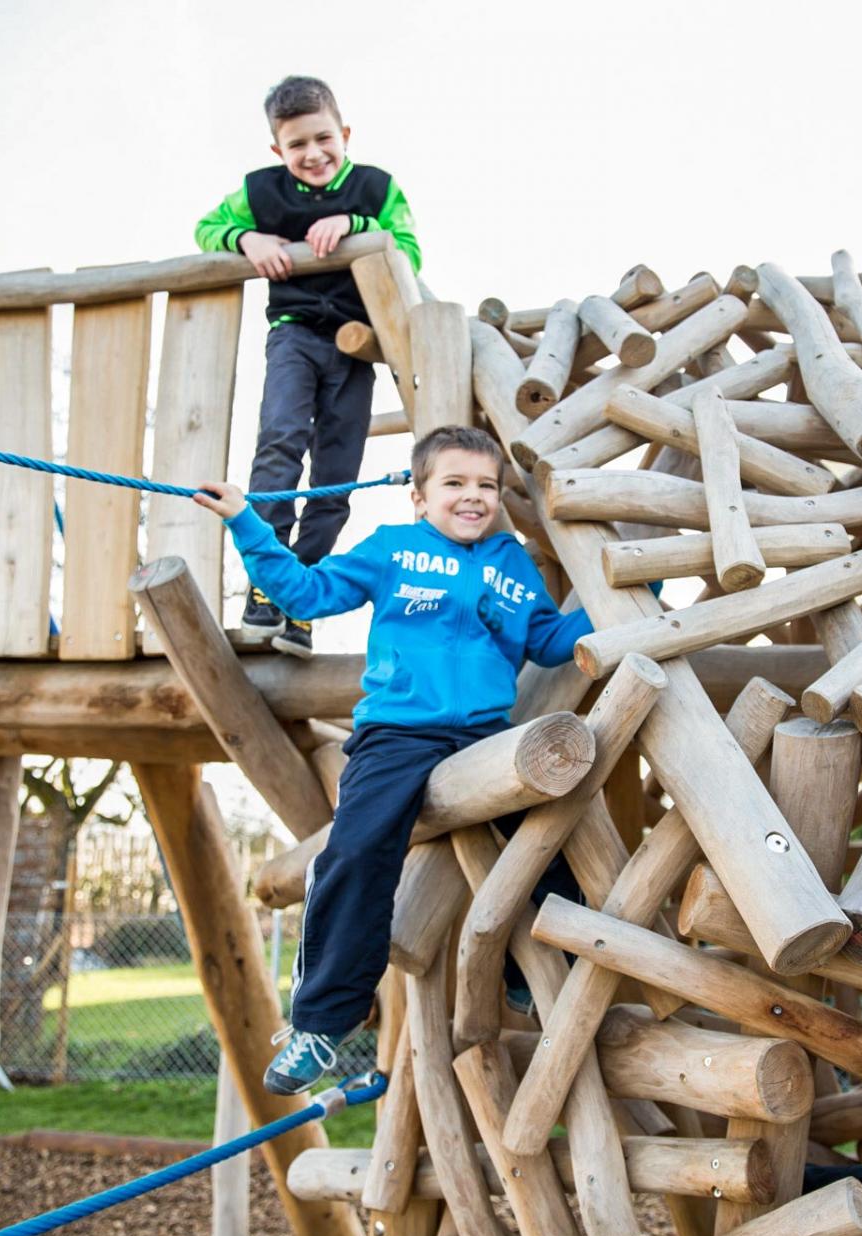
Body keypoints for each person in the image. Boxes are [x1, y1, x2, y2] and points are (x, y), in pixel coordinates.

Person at [195, 427, 590, 1094]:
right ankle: (322, 1022)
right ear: (418, 495)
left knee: (548, 836)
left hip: (484, 733)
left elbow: (550, 639)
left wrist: (630, 594)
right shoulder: (394, 550)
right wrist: (246, 521)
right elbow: (307, 593)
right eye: (454, 484)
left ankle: (535, 963)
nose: (473, 497)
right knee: (355, 852)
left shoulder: (512, 562)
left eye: (486, 486)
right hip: (397, 733)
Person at [195, 74, 422, 655]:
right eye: (297, 145)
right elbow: (205, 229)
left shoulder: (375, 189)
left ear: (344, 133)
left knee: (337, 470)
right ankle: (267, 584)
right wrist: (246, 239)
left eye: (324, 138)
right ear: (278, 149)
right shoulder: (261, 190)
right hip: (294, 337)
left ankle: (302, 592)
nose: (313, 153)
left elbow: (408, 250)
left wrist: (357, 226)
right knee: (281, 441)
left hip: (357, 346)